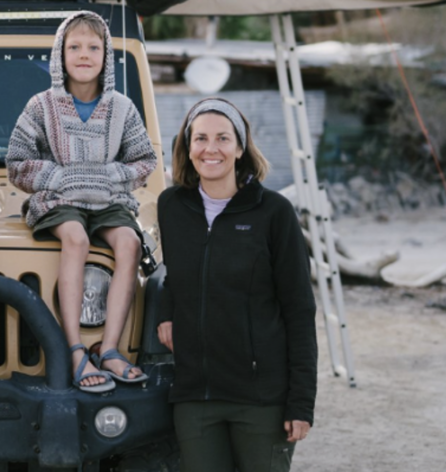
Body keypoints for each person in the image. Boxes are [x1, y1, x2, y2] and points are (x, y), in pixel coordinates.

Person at [156, 97, 317, 472]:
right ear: (187, 146)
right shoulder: (171, 207)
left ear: (241, 148)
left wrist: (301, 402)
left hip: (261, 400)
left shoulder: (274, 212)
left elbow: (299, 308)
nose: (210, 149)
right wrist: (167, 312)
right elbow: (174, 272)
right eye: (200, 139)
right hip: (195, 396)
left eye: (223, 139)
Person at [6, 11, 157, 393]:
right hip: (58, 198)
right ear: (60, 54)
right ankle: (73, 349)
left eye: (94, 47)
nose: (84, 54)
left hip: (107, 197)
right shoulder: (41, 105)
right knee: (75, 237)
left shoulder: (122, 107)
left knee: (130, 242)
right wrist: (61, 177)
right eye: (74, 46)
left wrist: (106, 177)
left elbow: (145, 161)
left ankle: (108, 349)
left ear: (106, 55)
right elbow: (16, 162)